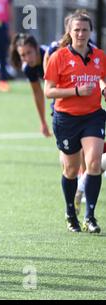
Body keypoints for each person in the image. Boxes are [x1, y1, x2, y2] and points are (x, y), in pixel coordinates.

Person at [44, 12, 106, 233]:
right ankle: (71, 212)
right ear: (69, 32)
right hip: (66, 118)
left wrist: (104, 88)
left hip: (93, 115)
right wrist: (77, 91)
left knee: (94, 164)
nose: (81, 34)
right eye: (76, 30)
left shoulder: (99, 55)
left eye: (85, 30)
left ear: (91, 32)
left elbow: (103, 78)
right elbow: (48, 91)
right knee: (70, 170)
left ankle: (90, 216)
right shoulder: (58, 57)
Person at [9, 33, 51, 137]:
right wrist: (43, 122)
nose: (27, 58)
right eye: (23, 55)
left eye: (29, 53)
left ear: (37, 48)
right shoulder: (28, 68)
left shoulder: (51, 56)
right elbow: (37, 93)